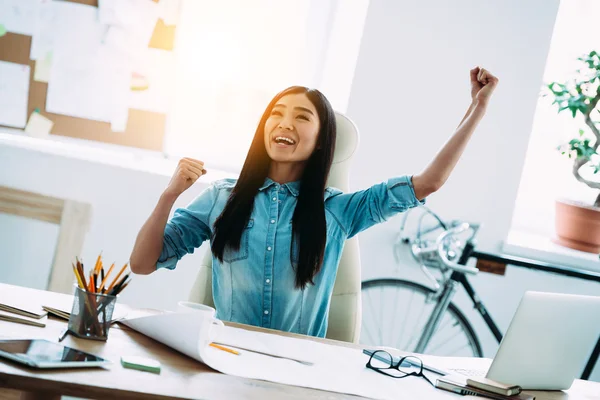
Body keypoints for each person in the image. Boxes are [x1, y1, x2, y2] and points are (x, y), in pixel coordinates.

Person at [130, 67, 499, 338]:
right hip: (225, 359)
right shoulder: (221, 198)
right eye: (276, 114)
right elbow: (143, 263)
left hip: (298, 373)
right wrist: (169, 195)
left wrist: (477, 109)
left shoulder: (338, 210)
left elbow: (428, 182)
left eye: (301, 117)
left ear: (322, 141)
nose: (284, 123)